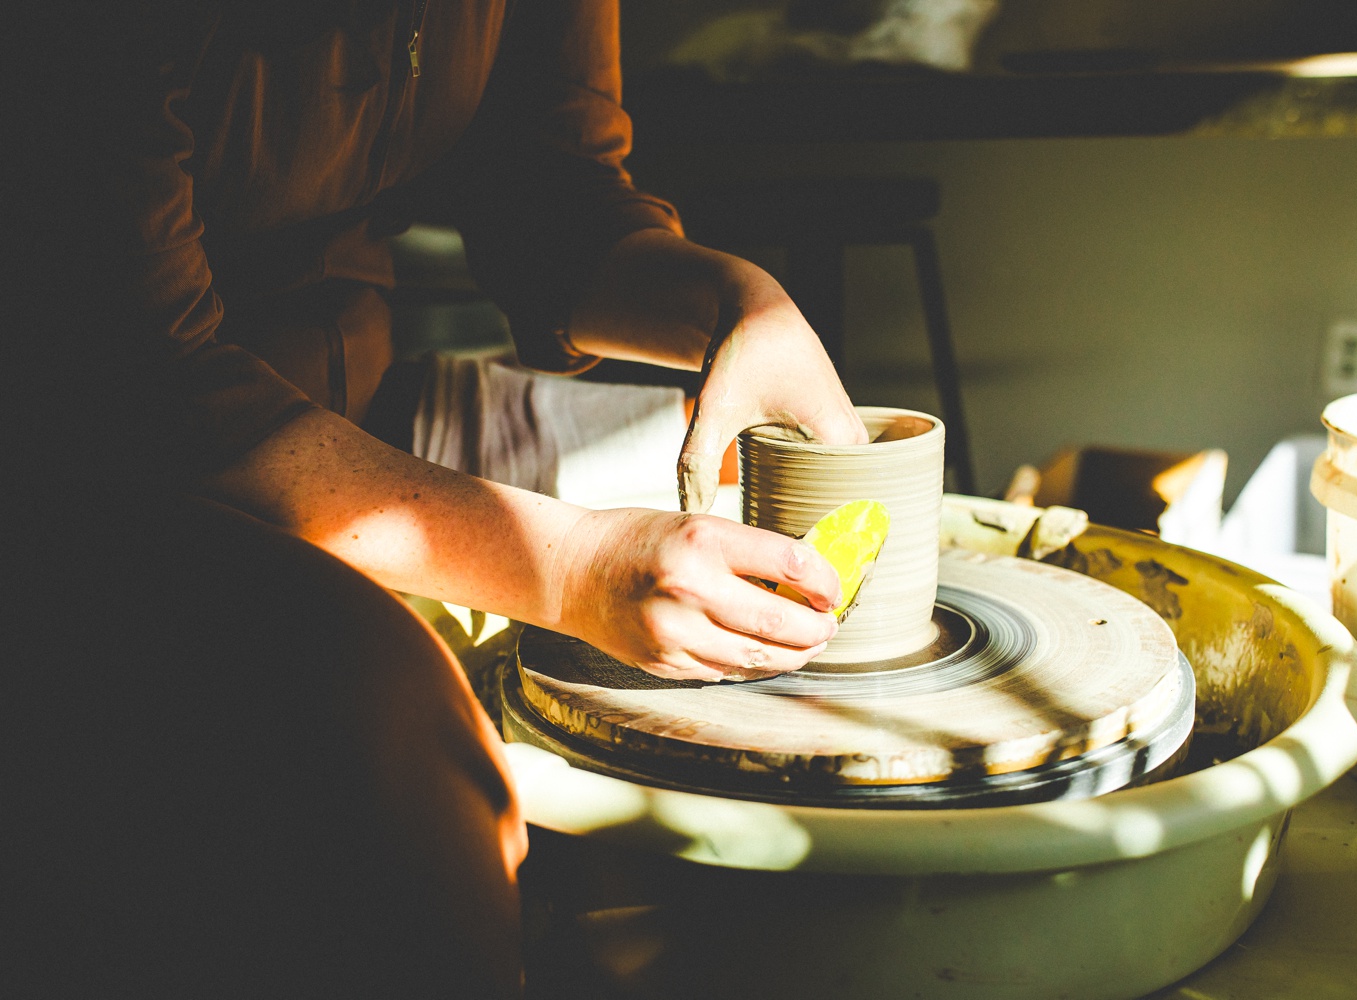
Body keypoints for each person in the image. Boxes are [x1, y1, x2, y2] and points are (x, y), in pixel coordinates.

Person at [1, 1, 864, 995]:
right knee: (419, 786)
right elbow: (145, 387)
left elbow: (552, 192)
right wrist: (573, 566)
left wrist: (730, 304)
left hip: (349, 401)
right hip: (88, 460)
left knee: (709, 509)